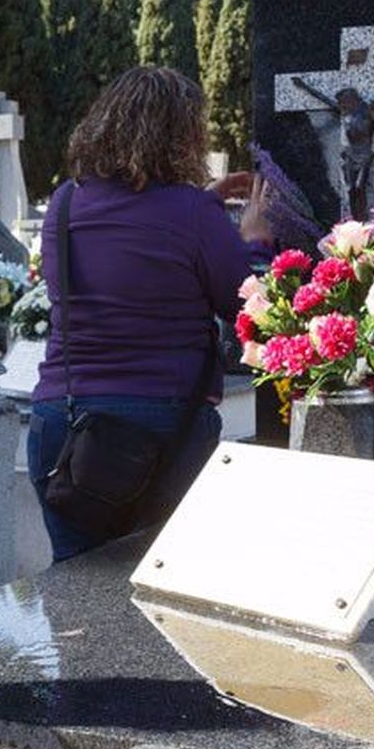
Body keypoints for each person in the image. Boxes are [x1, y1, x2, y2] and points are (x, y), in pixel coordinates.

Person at [28, 67, 271, 563]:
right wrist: (253, 239)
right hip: (162, 423)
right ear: (183, 135)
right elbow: (246, 303)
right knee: (159, 585)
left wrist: (201, 208)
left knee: (75, 587)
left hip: (64, 422)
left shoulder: (65, 202)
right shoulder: (191, 211)